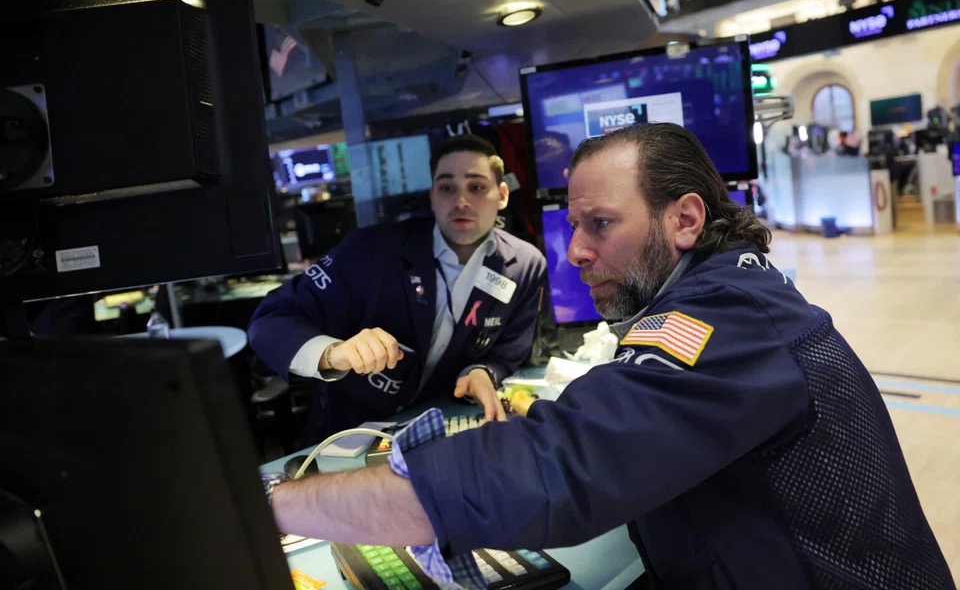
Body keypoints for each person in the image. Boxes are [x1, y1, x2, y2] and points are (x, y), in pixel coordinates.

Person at [263, 124, 954, 589]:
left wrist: (263, 508)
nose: (575, 252)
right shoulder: (728, 290)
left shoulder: (729, 322)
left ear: (684, 220)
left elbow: (561, 467)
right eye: (573, 224)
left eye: (601, 225)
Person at [248, 135, 547, 444]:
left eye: (476, 187)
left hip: (438, 432)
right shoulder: (370, 250)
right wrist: (332, 353)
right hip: (347, 436)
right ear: (432, 196)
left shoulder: (525, 265)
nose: (461, 201)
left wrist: (482, 371)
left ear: (501, 196)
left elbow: (509, 350)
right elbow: (270, 320)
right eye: (447, 188)